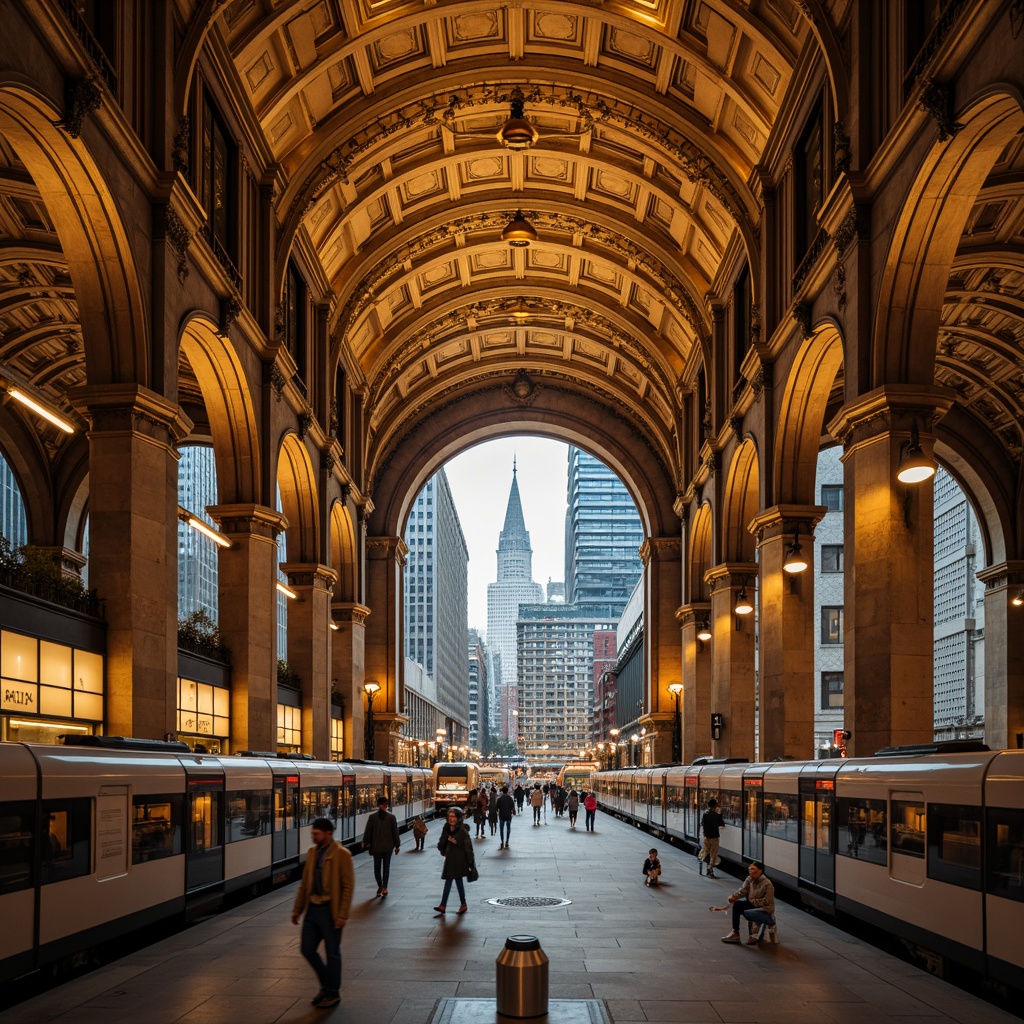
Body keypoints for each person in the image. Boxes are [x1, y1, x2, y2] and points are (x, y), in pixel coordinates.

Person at [291, 817, 354, 1009]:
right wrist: (297, 909)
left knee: (332, 953)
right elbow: (304, 885)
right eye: (312, 833)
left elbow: (347, 886)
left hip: (330, 911)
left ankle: (332, 992)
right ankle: (328, 985)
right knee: (307, 950)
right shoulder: (312, 853)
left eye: (316, 834)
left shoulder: (342, 855)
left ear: (328, 833)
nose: (313, 836)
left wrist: (342, 914)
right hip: (312, 909)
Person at [720, 860, 777, 945]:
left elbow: (767, 901)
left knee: (751, 911)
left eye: (754, 870)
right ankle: (735, 933)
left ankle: (753, 935)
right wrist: (734, 897)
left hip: (764, 909)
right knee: (737, 905)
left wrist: (752, 902)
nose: (751, 872)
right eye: (750, 870)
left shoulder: (767, 884)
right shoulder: (749, 879)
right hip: (752, 904)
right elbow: (743, 890)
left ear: (760, 871)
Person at [434, 806, 475, 914]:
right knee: (453, 881)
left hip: (459, 860)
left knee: (455, 881)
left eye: (453, 816)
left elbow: (468, 847)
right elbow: (441, 843)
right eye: (449, 816)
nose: (451, 819)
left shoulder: (462, 831)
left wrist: (470, 862)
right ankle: (451, 905)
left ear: (458, 818)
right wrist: (445, 842)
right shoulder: (446, 828)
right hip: (450, 859)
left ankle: (457, 904)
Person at [362, 795, 400, 896]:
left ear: (378, 805)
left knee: (377, 867)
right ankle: (385, 888)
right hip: (388, 847)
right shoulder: (391, 817)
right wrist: (397, 845)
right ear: (386, 805)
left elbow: (368, 831)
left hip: (376, 847)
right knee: (386, 867)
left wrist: (364, 842)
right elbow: (395, 832)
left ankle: (379, 885)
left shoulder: (372, 817)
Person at [700, 797, 725, 878]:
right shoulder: (716, 815)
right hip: (714, 838)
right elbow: (721, 824)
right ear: (715, 806)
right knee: (713, 855)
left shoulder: (705, 813)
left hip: (706, 837)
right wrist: (719, 813)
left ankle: (707, 869)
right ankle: (710, 870)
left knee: (706, 854)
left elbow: (702, 823)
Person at [496, 784, 516, 848]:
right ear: (507, 791)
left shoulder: (499, 799)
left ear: (502, 791)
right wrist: (513, 811)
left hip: (501, 815)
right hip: (508, 815)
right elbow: (512, 807)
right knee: (508, 829)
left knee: (501, 829)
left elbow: (497, 807)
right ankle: (507, 841)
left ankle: (502, 842)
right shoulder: (510, 798)